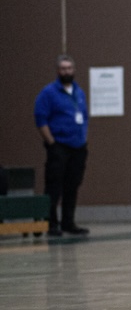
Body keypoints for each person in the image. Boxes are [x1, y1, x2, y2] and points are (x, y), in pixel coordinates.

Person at [34, 54, 90, 237]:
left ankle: (68, 222)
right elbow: (40, 119)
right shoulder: (48, 93)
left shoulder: (78, 92)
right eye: (63, 68)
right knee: (54, 185)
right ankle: (51, 223)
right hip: (59, 146)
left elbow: (84, 116)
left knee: (72, 185)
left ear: (74, 70)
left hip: (78, 147)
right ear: (58, 71)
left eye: (70, 68)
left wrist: (83, 138)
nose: (67, 71)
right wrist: (52, 143)